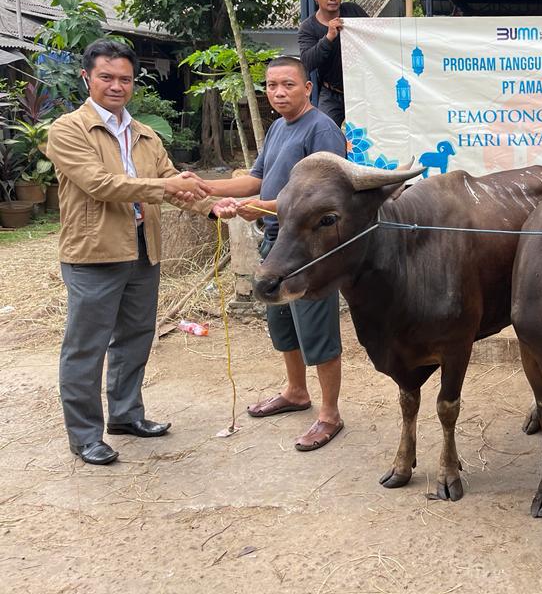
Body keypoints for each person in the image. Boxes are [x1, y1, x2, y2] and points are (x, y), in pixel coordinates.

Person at [45, 39, 215, 466]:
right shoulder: (67, 130)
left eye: (125, 78)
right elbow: (101, 184)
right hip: (94, 252)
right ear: (87, 77)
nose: (116, 86)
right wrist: (167, 186)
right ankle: (85, 435)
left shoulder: (143, 133)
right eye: (107, 77)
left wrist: (215, 207)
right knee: (87, 346)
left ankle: (125, 415)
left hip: (142, 248)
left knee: (136, 338)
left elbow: (172, 182)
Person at [207, 56, 347, 452]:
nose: (279, 92)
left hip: (307, 252)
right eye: (271, 86)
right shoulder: (277, 130)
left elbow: (326, 200)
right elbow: (254, 179)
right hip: (275, 242)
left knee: (317, 330)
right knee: (282, 323)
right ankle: (295, 391)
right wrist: (205, 187)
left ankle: (329, 415)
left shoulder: (322, 130)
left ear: (308, 88)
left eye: (288, 84)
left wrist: (264, 206)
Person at [297, 0, 368, 130]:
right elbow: (307, 62)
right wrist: (329, 37)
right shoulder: (308, 27)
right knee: (324, 133)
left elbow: (374, 36)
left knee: (370, 137)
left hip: (362, 90)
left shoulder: (353, 12)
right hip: (331, 93)